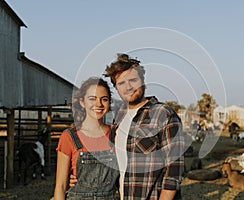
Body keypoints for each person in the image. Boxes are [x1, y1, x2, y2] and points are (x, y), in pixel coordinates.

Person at [70, 54, 185, 199]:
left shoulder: (163, 114)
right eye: (121, 83)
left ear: (143, 81)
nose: (128, 87)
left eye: (133, 80)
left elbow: (175, 169)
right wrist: (81, 176)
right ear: (116, 88)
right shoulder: (120, 116)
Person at [54, 77, 119, 200]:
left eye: (104, 99)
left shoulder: (117, 135)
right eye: (92, 99)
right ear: (82, 102)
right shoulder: (69, 137)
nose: (98, 104)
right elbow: (61, 186)